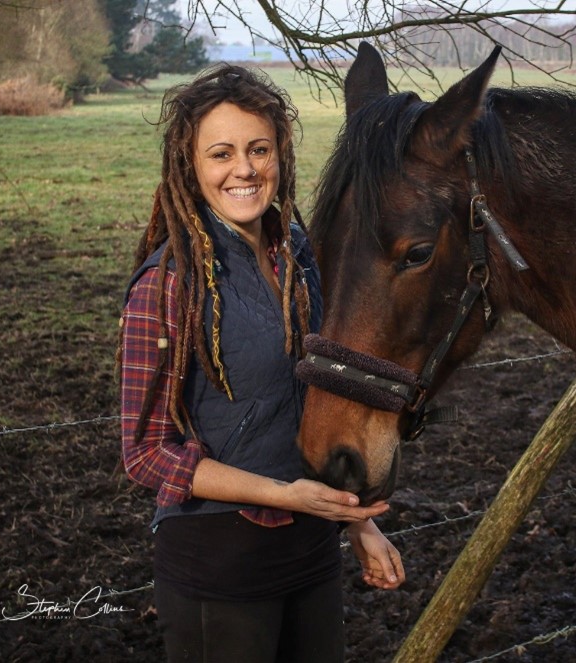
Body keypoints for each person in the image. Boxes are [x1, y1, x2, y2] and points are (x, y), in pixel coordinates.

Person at [118, 63, 405, 662]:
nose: (244, 169)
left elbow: (312, 403)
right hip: (219, 567)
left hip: (310, 559)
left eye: (259, 149)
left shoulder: (299, 257)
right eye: (221, 153)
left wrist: (358, 526)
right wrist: (286, 495)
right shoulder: (167, 285)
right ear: (190, 166)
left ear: (281, 154)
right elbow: (146, 453)